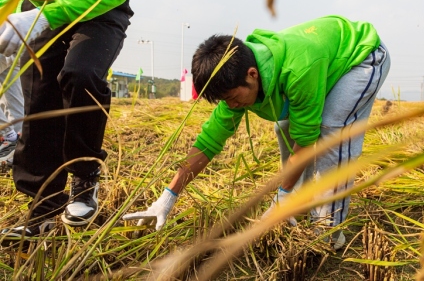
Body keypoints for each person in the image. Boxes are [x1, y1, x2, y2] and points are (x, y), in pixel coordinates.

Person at [123, 16, 390, 250]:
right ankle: (296, 208)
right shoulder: (236, 80)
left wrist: (281, 196)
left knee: (331, 135)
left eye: (231, 98)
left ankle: (326, 234)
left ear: (252, 75)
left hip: (361, 56)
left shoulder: (298, 70)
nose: (231, 106)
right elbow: (208, 142)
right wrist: (167, 197)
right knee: (285, 127)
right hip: (324, 65)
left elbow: (307, 142)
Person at [0, 0, 132, 243]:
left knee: (80, 74)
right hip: (34, 11)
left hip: (98, 9)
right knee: (38, 101)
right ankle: (42, 210)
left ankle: (84, 175)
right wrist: (9, 14)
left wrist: (47, 16)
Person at [0, 54, 23, 166]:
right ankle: (18, 154)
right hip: (16, 45)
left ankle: (9, 136)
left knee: (12, 99)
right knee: (12, 99)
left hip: (5, 43)